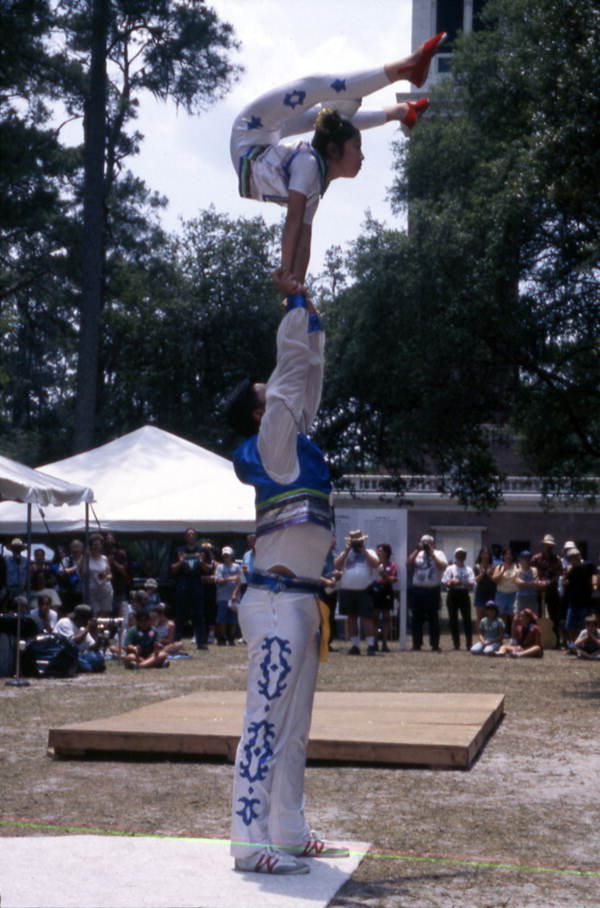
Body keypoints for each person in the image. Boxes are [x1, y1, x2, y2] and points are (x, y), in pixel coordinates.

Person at [225, 286, 348, 874]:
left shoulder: (297, 446)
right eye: (266, 398)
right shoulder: (272, 447)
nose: (278, 398)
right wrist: (294, 315)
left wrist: (315, 327)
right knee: (265, 725)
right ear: (260, 412)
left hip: (299, 602)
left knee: (293, 729)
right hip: (275, 603)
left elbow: (307, 383)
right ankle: (250, 844)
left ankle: (288, 830)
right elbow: (289, 378)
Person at [231, 33, 446, 291]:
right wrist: (295, 286)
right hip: (255, 142)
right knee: (327, 113)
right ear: (333, 151)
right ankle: (400, 107)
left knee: (316, 91)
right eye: (357, 147)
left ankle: (405, 76)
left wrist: (290, 281)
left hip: (250, 138)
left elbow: (298, 226)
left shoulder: (309, 167)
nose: (363, 156)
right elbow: (300, 228)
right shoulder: (313, 170)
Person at [335, 530, 380, 656]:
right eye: (353, 542)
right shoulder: (345, 553)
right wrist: (346, 551)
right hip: (348, 590)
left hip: (364, 590)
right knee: (351, 619)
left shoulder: (369, 552)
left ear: (362, 541)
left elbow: (375, 564)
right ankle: (355, 645)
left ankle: (371, 645)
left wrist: (363, 551)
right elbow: (336, 565)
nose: (355, 544)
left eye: (357, 542)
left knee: (367, 618)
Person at [407, 533, 448, 652]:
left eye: (427, 543)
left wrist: (432, 554)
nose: (425, 545)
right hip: (418, 589)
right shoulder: (417, 553)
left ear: (432, 543)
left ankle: (434, 644)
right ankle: (416, 644)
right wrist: (416, 550)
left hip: (432, 590)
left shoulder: (439, 553)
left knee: (433, 618)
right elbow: (408, 564)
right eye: (423, 542)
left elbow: (442, 566)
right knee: (416, 618)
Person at [171, 528, 210, 649]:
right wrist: (181, 562)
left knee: (199, 614)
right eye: (189, 534)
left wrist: (202, 562)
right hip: (183, 583)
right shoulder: (179, 550)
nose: (191, 536)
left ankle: (201, 642)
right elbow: (172, 569)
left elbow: (208, 569)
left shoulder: (202, 550)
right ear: (185, 537)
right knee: (180, 614)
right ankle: (176, 641)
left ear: (196, 537)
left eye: (193, 534)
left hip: (197, 583)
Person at [54, 603, 106, 672]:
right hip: (62, 654)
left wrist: (100, 635)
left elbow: (92, 647)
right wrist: (88, 628)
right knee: (87, 667)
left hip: (78, 655)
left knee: (98, 657)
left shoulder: (82, 629)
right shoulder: (65, 622)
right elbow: (73, 643)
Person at [442, 547, 475, 651]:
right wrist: (451, 582)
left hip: (464, 594)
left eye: (463, 555)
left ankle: (469, 644)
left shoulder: (469, 569)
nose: (461, 556)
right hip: (453, 594)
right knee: (453, 619)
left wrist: (461, 582)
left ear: (465, 557)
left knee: (467, 619)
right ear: (456, 556)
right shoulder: (450, 568)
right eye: (459, 554)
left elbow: (472, 584)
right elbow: (444, 581)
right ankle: (456, 644)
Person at [531, 534, 563, 639]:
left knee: (554, 615)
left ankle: (555, 638)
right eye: (546, 545)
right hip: (539, 590)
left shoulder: (557, 559)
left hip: (552, 590)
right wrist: (538, 582)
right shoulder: (536, 558)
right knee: (538, 614)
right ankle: (537, 637)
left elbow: (559, 574)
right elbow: (532, 572)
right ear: (543, 545)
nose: (548, 547)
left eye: (550, 545)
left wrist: (548, 582)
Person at [562, 548, 597, 643]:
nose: (575, 559)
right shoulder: (570, 569)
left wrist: (594, 584)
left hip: (585, 601)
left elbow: (594, 574)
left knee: (583, 625)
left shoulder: (588, 565)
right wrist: (567, 573)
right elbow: (564, 583)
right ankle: (573, 644)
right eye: (572, 558)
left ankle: (583, 644)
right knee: (570, 626)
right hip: (573, 601)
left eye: (576, 557)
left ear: (579, 556)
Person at [371, 544, 398, 652]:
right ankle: (375, 641)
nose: (378, 553)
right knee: (375, 617)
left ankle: (385, 642)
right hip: (375, 589)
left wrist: (383, 573)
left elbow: (392, 579)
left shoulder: (391, 565)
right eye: (377, 551)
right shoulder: (373, 564)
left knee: (386, 617)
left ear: (386, 553)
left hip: (386, 590)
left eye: (381, 551)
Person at [215, 546, 242, 646]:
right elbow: (219, 580)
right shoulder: (220, 567)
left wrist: (235, 593)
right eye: (224, 555)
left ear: (231, 556)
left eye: (228, 555)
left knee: (233, 619)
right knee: (222, 619)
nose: (226, 557)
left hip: (234, 597)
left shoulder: (237, 567)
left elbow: (240, 581)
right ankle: (222, 638)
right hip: (222, 596)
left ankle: (231, 638)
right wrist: (230, 578)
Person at [492, 548, 519, 637]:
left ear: (513, 556)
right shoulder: (499, 567)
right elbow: (495, 580)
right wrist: (503, 570)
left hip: (514, 594)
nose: (508, 556)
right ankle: (502, 633)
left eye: (510, 554)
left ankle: (513, 634)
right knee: (502, 615)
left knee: (513, 615)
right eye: (506, 554)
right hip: (501, 594)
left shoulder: (518, 566)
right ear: (503, 556)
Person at [86, 534, 113, 617]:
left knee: (105, 613)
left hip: (105, 589)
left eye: (98, 544)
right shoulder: (87, 558)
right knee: (95, 613)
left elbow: (110, 575)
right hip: (92, 591)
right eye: (94, 545)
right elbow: (83, 572)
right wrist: (84, 556)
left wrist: (105, 577)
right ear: (91, 546)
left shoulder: (104, 558)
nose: (96, 547)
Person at [105, 532, 129, 617]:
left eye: (111, 539)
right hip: (106, 589)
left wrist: (114, 562)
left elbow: (124, 571)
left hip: (119, 588)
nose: (109, 541)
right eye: (107, 539)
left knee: (120, 613)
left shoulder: (121, 553)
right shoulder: (103, 554)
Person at [474, 546, 497, 626]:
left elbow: (495, 580)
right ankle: (480, 636)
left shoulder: (493, 566)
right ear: (480, 555)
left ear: (490, 555)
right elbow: (475, 580)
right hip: (480, 593)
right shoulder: (477, 566)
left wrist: (488, 573)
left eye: (487, 553)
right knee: (480, 616)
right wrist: (482, 573)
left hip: (491, 593)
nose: (485, 555)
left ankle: (490, 635)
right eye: (483, 553)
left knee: (490, 615)